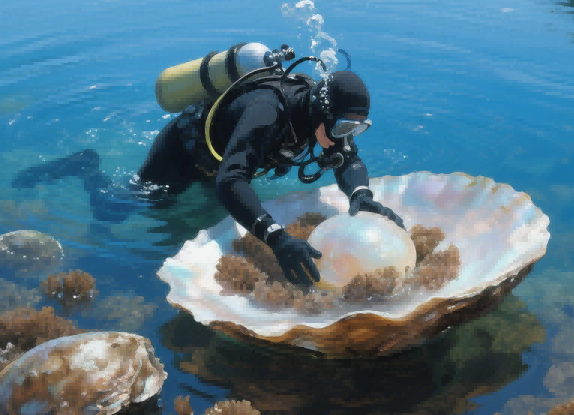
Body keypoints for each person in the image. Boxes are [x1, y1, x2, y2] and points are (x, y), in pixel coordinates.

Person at [13, 70, 405, 288]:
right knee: (114, 209)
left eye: (355, 128)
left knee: (220, 208)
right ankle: (85, 164)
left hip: (224, 153)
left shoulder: (321, 118)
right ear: (322, 111)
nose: (345, 137)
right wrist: (277, 238)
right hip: (185, 150)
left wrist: (361, 194)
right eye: (342, 127)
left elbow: (347, 160)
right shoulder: (268, 113)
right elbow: (231, 181)